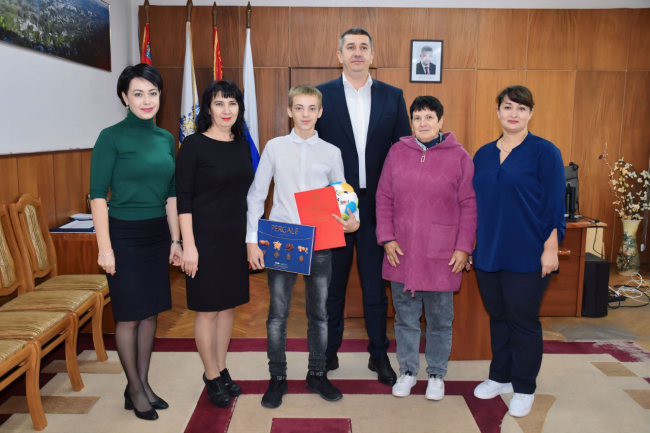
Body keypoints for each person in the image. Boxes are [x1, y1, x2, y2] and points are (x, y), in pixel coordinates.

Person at [247, 85, 359, 409]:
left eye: (312, 108)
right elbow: (256, 195)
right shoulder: (274, 147)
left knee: (319, 315)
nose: (305, 114)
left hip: (320, 241)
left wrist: (353, 219)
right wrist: (252, 240)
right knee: (277, 316)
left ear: (320, 112)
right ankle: (277, 378)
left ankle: (317, 374)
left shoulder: (331, 152)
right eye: (299, 108)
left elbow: (343, 195)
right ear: (289, 111)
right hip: (282, 239)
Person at [316, 28, 411, 386]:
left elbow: (402, 151)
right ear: (339, 55)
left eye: (364, 47)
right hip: (332, 202)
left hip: (377, 204)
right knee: (332, 287)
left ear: (373, 55)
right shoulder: (321, 96)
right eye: (350, 47)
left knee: (374, 287)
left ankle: (378, 355)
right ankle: (327, 353)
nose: (357, 52)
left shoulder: (392, 96)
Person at [90, 64, 181, 421]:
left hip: (157, 234)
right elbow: (98, 196)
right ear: (124, 98)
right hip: (123, 236)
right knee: (129, 316)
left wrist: (175, 239)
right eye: (138, 93)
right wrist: (105, 248)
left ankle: (140, 385)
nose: (147, 100)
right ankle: (136, 388)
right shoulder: (110, 137)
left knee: (150, 312)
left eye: (153, 93)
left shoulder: (165, 139)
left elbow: (171, 194)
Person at [472, 86, 565, 417]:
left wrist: (550, 249)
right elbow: (473, 204)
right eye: (508, 107)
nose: (514, 114)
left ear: (530, 114)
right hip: (488, 252)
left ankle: (524, 387)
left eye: (521, 108)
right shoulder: (483, 154)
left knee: (522, 320)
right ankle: (501, 377)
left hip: (528, 252)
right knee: (498, 317)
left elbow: (554, 205)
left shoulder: (545, 152)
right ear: (498, 111)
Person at [376, 96, 476, 400]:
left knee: (440, 320)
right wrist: (386, 238)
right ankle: (407, 371)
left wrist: (464, 247)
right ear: (411, 122)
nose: (423, 123)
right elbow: (383, 198)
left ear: (441, 121)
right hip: (401, 251)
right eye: (417, 117)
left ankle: (436, 374)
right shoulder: (397, 152)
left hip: (442, 254)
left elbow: (469, 205)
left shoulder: (460, 156)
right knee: (405, 318)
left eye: (430, 117)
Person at [175, 80, 254, 409]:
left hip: (234, 239)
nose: (226, 110)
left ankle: (221, 368)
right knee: (207, 310)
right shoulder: (193, 145)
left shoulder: (241, 144)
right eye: (219, 103)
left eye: (232, 103)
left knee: (227, 307)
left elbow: (248, 194)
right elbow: (183, 199)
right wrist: (188, 246)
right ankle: (210, 375)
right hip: (204, 240)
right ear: (208, 108)